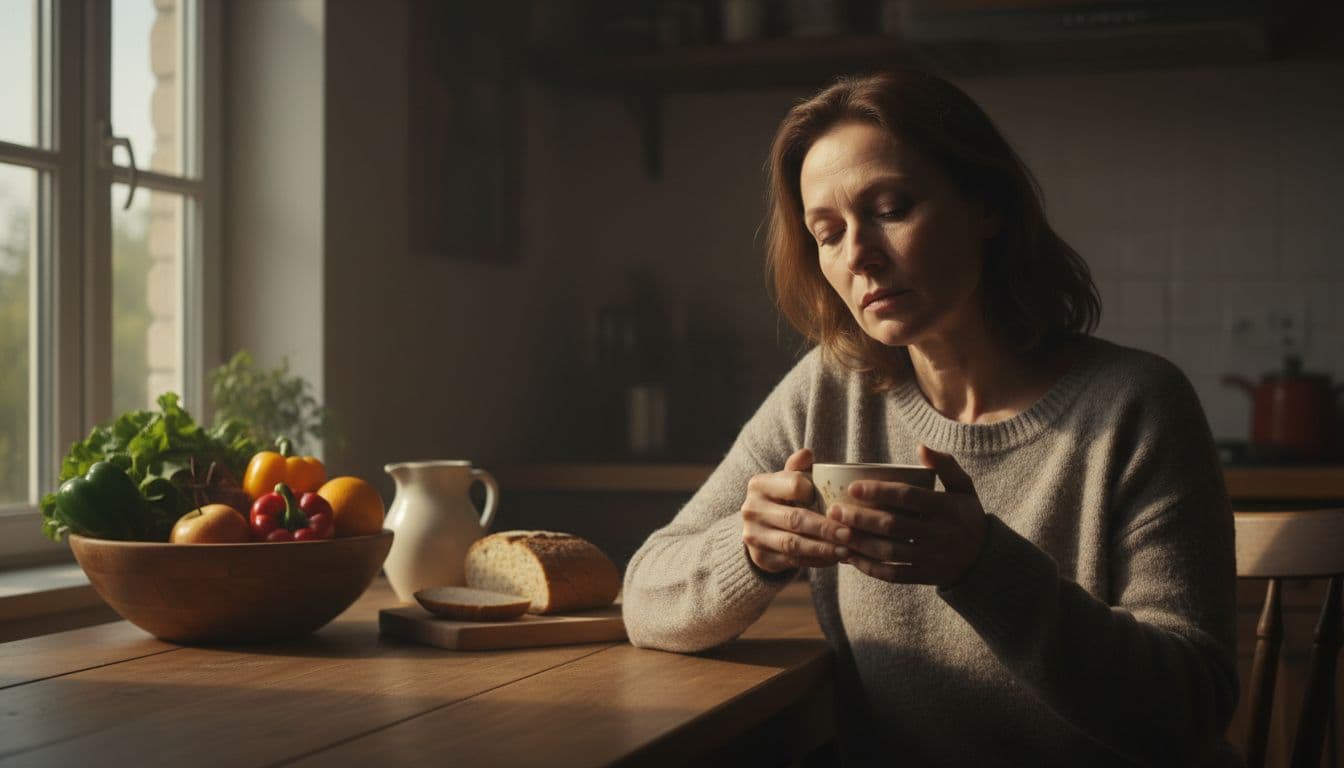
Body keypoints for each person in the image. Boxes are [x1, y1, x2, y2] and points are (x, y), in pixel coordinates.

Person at [621, 70, 1238, 767]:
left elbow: (1191, 708)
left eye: (891, 208)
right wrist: (750, 551)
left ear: (986, 205)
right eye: (827, 233)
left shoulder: (1136, 403)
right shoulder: (831, 388)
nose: (858, 255)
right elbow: (645, 597)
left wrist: (983, 568)